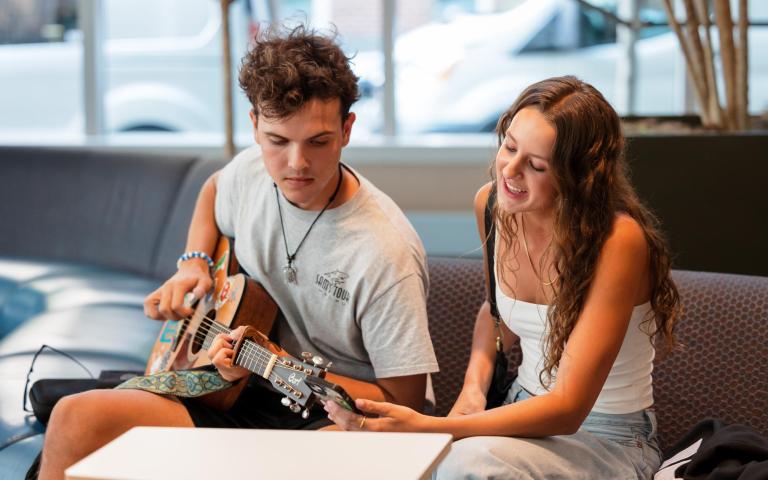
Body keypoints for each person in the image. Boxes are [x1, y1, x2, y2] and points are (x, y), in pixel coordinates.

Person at [37, 24, 438, 480]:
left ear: (347, 129)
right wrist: (195, 264)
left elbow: (403, 404)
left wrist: (279, 365)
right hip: (238, 386)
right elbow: (213, 189)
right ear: (254, 126)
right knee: (75, 416)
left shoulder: (385, 252)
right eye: (277, 141)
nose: (296, 164)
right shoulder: (251, 172)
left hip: (334, 414)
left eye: (318, 142)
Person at [326, 76, 680, 479]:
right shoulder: (494, 204)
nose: (510, 170)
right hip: (515, 415)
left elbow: (567, 408)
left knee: (462, 466)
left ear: (579, 177)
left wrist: (434, 427)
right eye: (510, 147)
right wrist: (472, 390)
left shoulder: (618, 241)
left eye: (537, 165)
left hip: (607, 438)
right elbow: (498, 315)